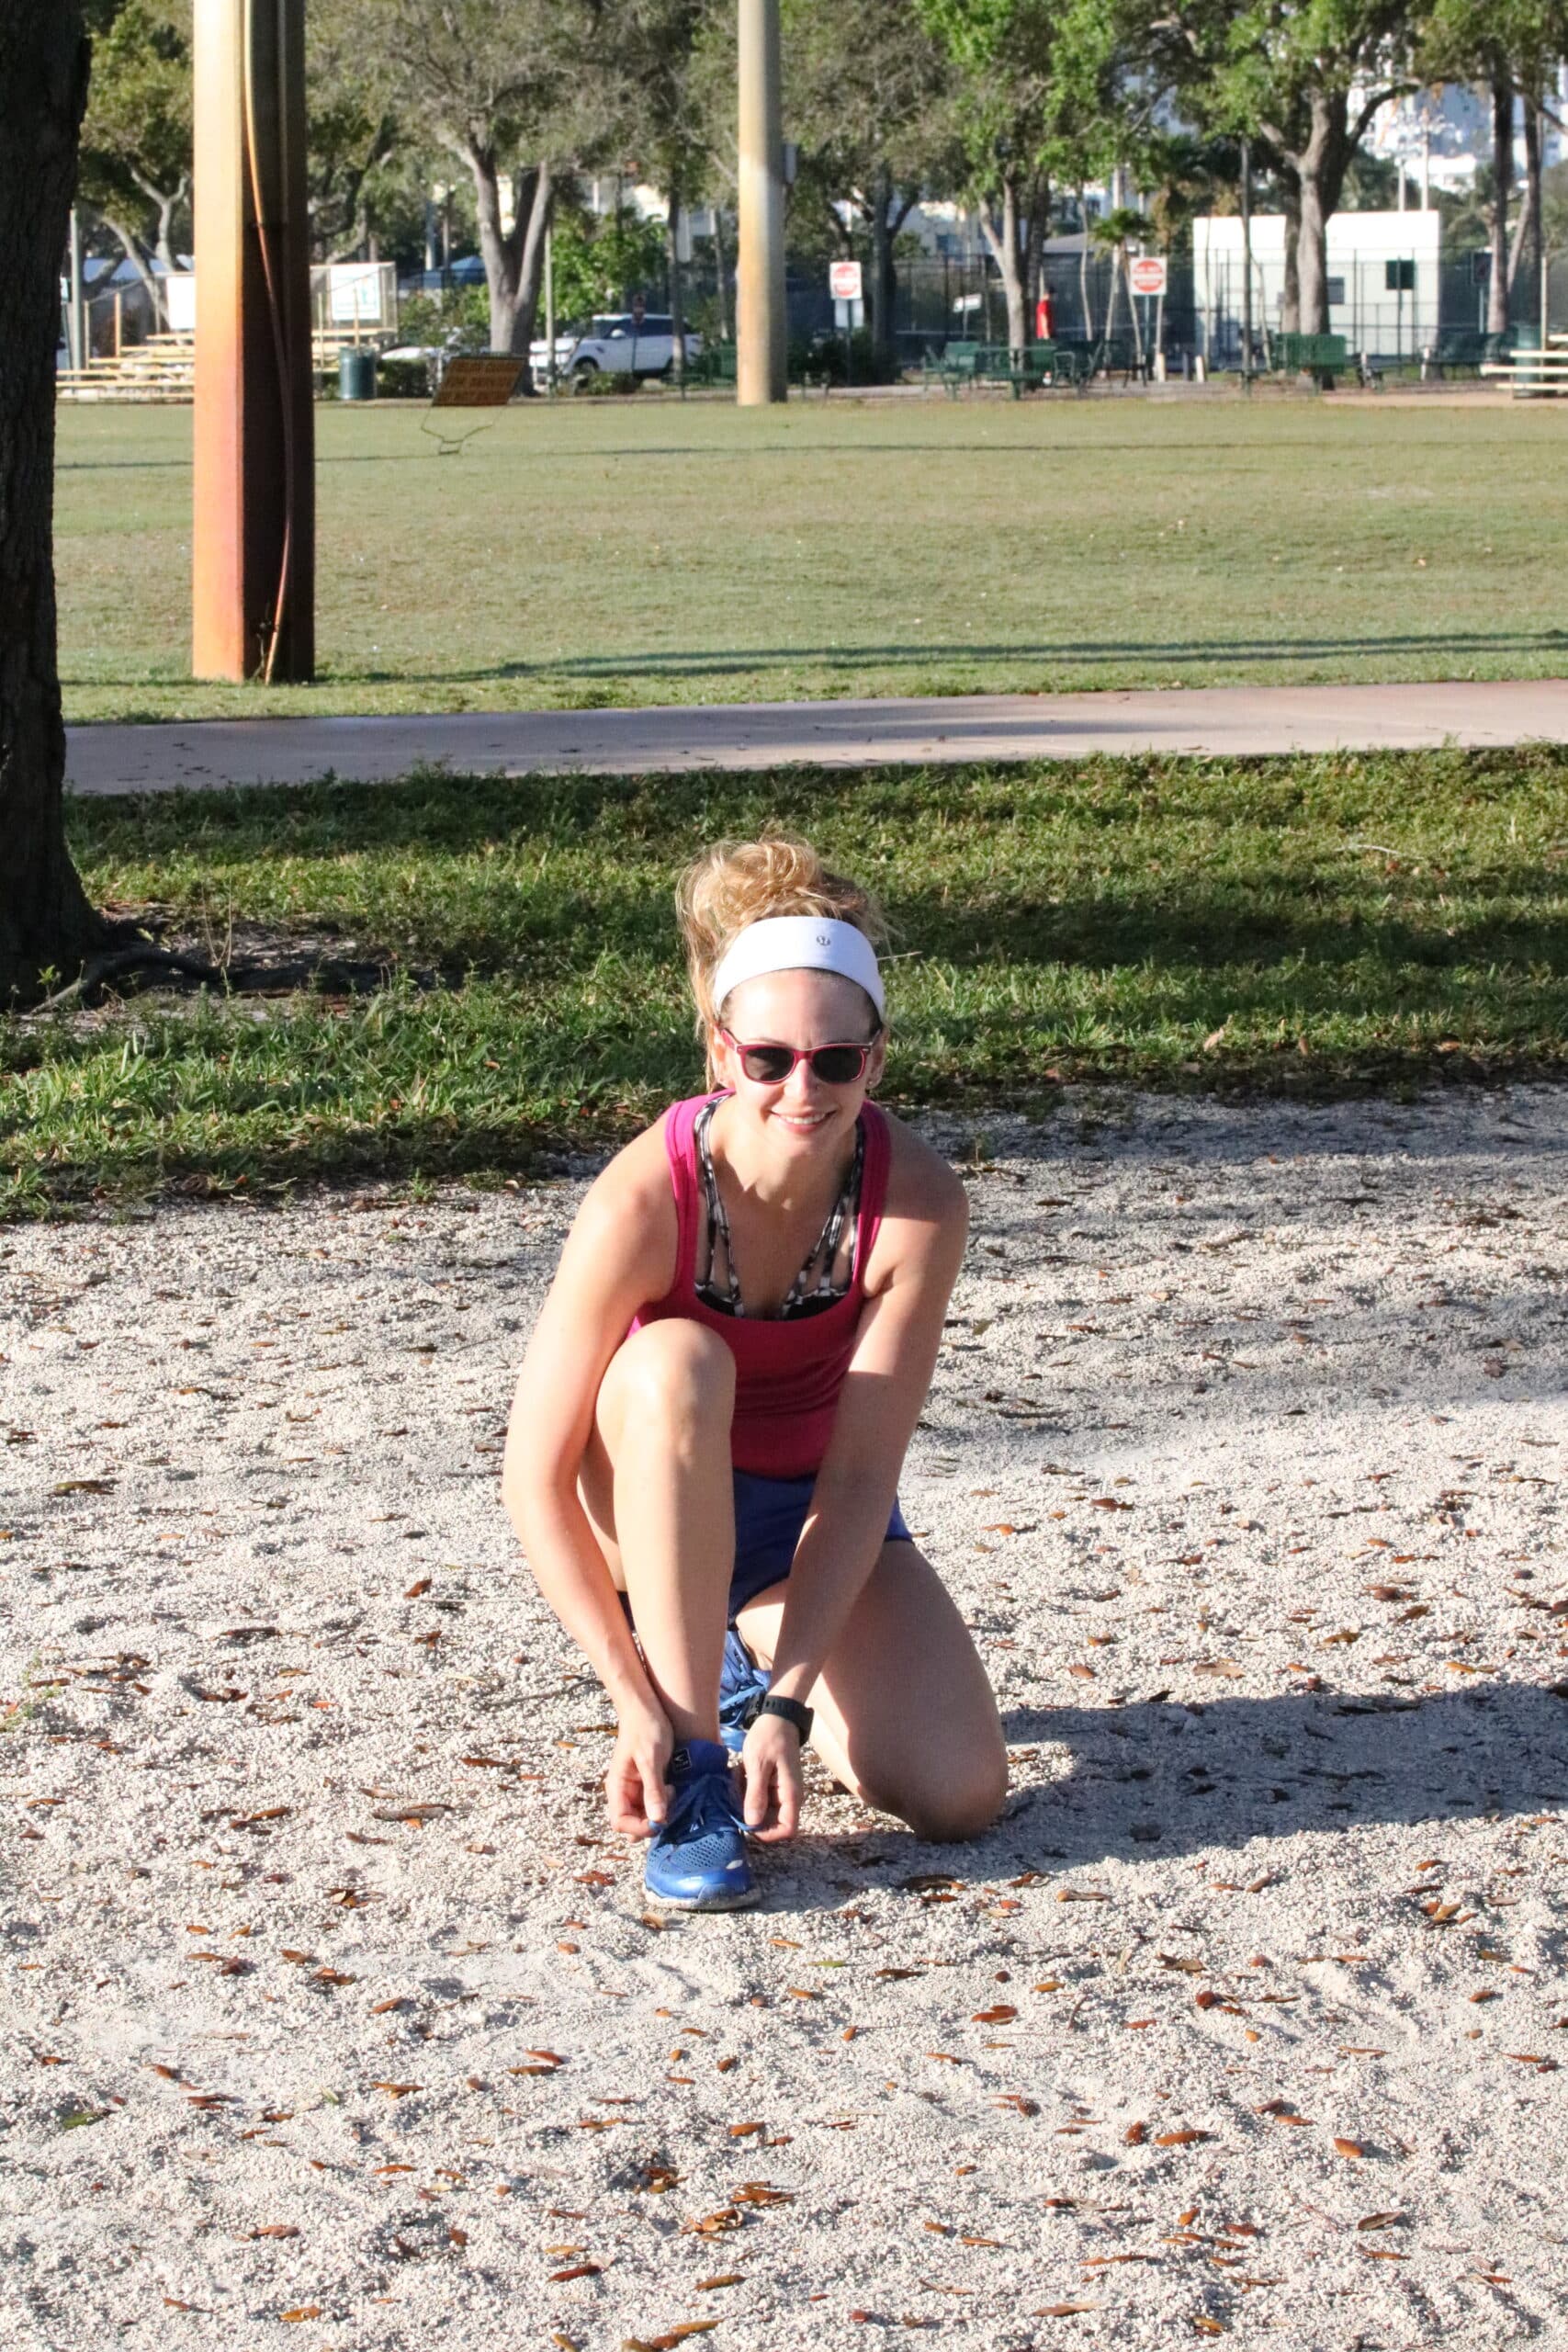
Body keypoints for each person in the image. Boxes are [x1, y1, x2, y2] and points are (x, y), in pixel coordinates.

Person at [502, 837, 1007, 1908]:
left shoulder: (918, 1204)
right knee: (681, 1358)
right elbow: (535, 1477)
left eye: (836, 1061)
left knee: (961, 1794)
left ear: (876, 1058)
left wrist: (790, 1702)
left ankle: (741, 1676)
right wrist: (626, 1690)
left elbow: (863, 1476)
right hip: (641, 1510)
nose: (801, 1087)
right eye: (769, 1058)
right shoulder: (645, 1198)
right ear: (721, 1053)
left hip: (792, 1529)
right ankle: (693, 1764)